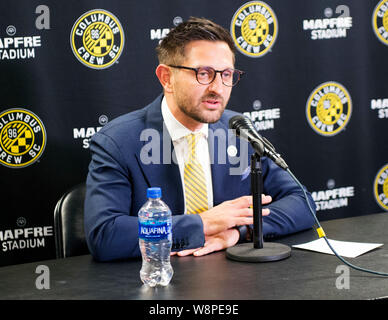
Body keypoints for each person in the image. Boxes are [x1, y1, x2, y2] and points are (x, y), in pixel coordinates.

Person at [84, 17, 316, 261]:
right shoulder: (118, 142)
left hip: (235, 279)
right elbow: (105, 235)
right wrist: (202, 224)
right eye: (203, 73)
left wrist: (240, 231)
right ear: (166, 78)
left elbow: (302, 203)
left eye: (226, 74)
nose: (217, 87)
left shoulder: (239, 130)